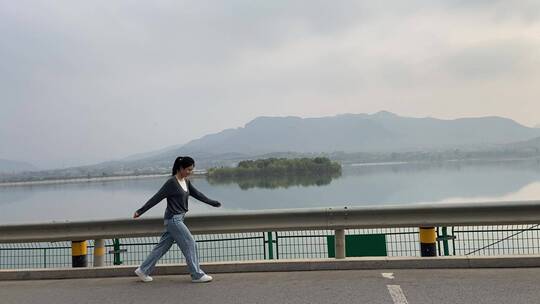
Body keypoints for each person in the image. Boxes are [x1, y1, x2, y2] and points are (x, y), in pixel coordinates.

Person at [133, 156, 221, 283]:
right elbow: (156, 198)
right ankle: (196, 275)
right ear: (180, 168)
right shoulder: (171, 183)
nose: (190, 172)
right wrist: (140, 211)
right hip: (174, 220)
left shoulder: (186, 182)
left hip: (178, 219)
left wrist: (212, 203)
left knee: (162, 247)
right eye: (188, 169)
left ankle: (143, 270)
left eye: (192, 170)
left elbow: (198, 195)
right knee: (190, 243)